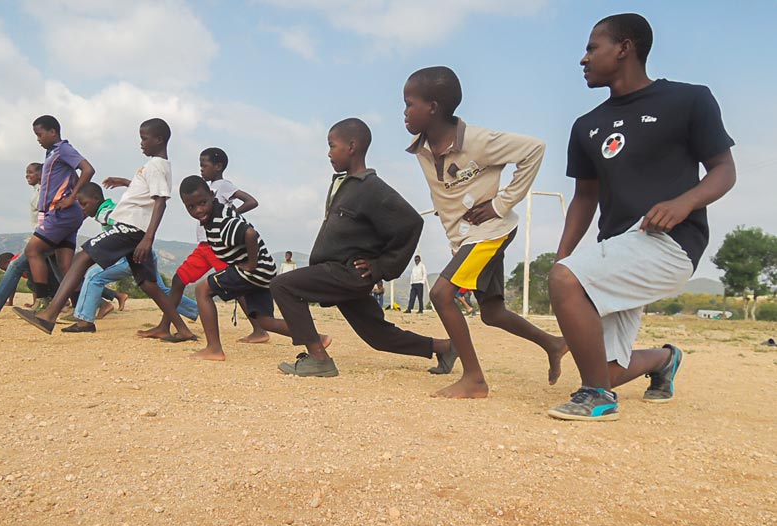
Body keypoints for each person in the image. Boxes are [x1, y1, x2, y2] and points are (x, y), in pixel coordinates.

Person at [546, 13, 735, 421]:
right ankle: (662, 360)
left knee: (568, 282)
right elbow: (585, 197)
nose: (583, 58)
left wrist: (684, 202)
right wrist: (563, 256)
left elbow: (724, 170)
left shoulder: (689, 99)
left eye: (592, 47)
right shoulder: (586, 126)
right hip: (617, 249)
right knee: (607, 366)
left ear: (624, 48)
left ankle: (597, 397)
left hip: (670, 243)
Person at [403, 66, 568, 396]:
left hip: (492, 230)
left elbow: (534, 149)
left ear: (432, 107)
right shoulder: (421, 148)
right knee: (492, 313)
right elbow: (448, 193)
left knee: (441, 294)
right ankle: (553, 343)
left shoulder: (478, 141)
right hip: (467, 238)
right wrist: (456, 238)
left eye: (409, 104)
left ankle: (474, 379)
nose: (405, 112)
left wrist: (502, 203)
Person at [271, 118, 457, 378]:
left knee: (283, 285)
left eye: (332, 145)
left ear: (352, 146)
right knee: (378, 336)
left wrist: (382, 266)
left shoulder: (372, 188)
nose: (328, 152)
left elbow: (411, 223)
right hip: (341, 273)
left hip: (345, 273)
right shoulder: (346, 185)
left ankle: (318, 358)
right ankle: (444, 347)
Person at [13, 118, 187, 337]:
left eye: (144, 139)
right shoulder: (156, 166)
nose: (141, 143)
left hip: (130, 228)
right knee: (149, 284)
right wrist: (125, 182)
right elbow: (146, 193)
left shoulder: (156, 166)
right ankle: (182, 329)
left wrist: (148, 239)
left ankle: (49, 315)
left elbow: (160, 201)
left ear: (159, 139)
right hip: (134, 230)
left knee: (81, 259)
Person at [178, 175, 324, 361]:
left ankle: (214, 349)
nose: (198, 210)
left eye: (202, 203)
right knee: (265, 321)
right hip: (264, 271)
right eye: (191, 207)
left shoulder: (221, 221)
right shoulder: (215, 214)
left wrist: (251, 265)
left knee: (202, 290)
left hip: (254, 271)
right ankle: (316, 339)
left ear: (212, 195)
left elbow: (250, 233)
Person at [137, 147, 269, 344]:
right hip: (204, 247)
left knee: (236, 287)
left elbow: (251, 201)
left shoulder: (222, 185)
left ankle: (259, 329)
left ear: (218, 166)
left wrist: (233, 217)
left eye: (204, 165)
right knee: (179, 279)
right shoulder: (206, 187)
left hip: (218, 247)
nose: (201, 169)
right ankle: (166, 326)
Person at [61, 182, 198, 333]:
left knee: (93, 276)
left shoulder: (106, 213)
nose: (82, 208)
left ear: (96, 199)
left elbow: (124, 228)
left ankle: (84, 320)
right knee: (159, 290)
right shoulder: (112, 207)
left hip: (132, 256)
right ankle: (196, 310)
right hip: (144, 252)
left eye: (84, 203)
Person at [0, 163, 66, 319]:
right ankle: (100, 303)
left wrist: (41, 234)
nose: (27, 177)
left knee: (16, 264)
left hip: (46, 235)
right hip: (48, 235)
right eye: (26, 174)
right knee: (64, 274)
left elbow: (47, 214)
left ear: (41, 174)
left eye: (30, 173)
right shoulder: (39, 190)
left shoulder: (45, 191)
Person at [26, 115, 95, 311]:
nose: (38, 139)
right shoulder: (52, 153)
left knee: (33, 250)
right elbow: (70, 175)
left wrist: (72, 196)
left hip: (61, 213)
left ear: (52, 132)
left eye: (39, 135)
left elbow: (88, 169)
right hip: (66, 214)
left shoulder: (63, 149)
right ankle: (84, 308)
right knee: (65, 267)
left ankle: (42, 301)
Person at [27, 162, 42, 228]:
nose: (27, 175)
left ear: (40, 174)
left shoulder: (41, 190)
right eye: (27, 173)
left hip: (42, 231)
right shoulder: (37, 190)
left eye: (30, 172)